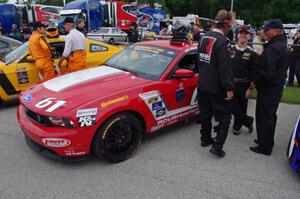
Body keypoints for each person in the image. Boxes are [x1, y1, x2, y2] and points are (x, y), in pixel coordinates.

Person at [197, 10, 234, 158]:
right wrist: (229, 88)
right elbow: (224, 69)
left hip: (203, 83)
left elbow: (199, 61)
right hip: (216, 86)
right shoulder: (223, 41)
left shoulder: (204, 37)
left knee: (205, 114)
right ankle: (217, 146)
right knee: (225, 117)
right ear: (227, 25)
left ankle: (205, 139)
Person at [249, 19, 289, 156]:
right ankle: (265, 140)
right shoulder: (280, 43)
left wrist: (255, 82)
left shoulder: (273, 47)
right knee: (269, 115)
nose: (264, 32)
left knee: (265, 116)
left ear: (277, 30)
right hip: (275, 87)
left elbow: (267, 72)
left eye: (267, 30)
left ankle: (264, 147)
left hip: (269, 88)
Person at [230, 26, 258, 135]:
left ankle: (237, 126)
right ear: (236, 36)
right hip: (231, 84)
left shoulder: (252, 53)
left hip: (244, 85)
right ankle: (248, 121)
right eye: (241, 33)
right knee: (230, 105)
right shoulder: (230, 50)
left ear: (249, 36)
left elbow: (255, 72)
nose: (243, 35)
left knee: (242, 107)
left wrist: (250, 89)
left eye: (245, 34)